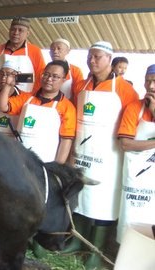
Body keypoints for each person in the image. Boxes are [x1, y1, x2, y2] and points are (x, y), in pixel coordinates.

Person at [67, 41, 139, 269]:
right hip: (82, 152)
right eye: (90, 56)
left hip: (108, 156)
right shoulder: (81, 85)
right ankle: (77, 241)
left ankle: (95, 250)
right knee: (81, 197)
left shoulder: (125, 90)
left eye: (97, 56)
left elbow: (133, 122)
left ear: (109, 59)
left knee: (102, 201)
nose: (92, 60)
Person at [0, 60, 76, 163]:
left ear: (63, 80)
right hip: (18, 157)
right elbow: (2, 106)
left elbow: (66, 140)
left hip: (45, 161)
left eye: (55, 76)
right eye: (46, 74)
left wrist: (57, 167)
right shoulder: (27, 98)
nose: (49, 79)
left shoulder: (67, 107)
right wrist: (8, 85)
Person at [115, 64, 155, 243]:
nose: (151, 87)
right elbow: (126, 144)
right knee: (130, 215)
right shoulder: (133, 108)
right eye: (148, 81)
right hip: (136, 179)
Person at [0, 17, 46, 93]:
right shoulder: (0, 49)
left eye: (20, 30)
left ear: (27, 33)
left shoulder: (35, 51)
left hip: (25, 95)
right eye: (13, 29)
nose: (16, 33)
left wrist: (33, 95)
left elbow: (40, 76)